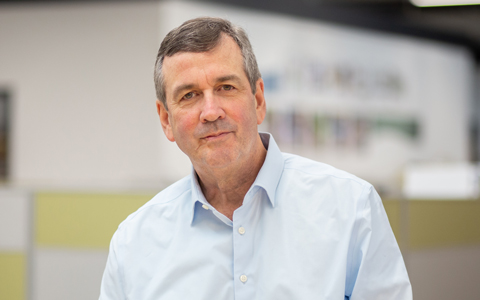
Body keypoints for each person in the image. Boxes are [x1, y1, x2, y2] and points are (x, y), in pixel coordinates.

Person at [99, 17, 412, 300]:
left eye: (226, 87)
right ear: (166, 120)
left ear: (258, 100)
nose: (210, 112)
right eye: (189, 95)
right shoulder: (134, 243)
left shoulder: (351, 209)